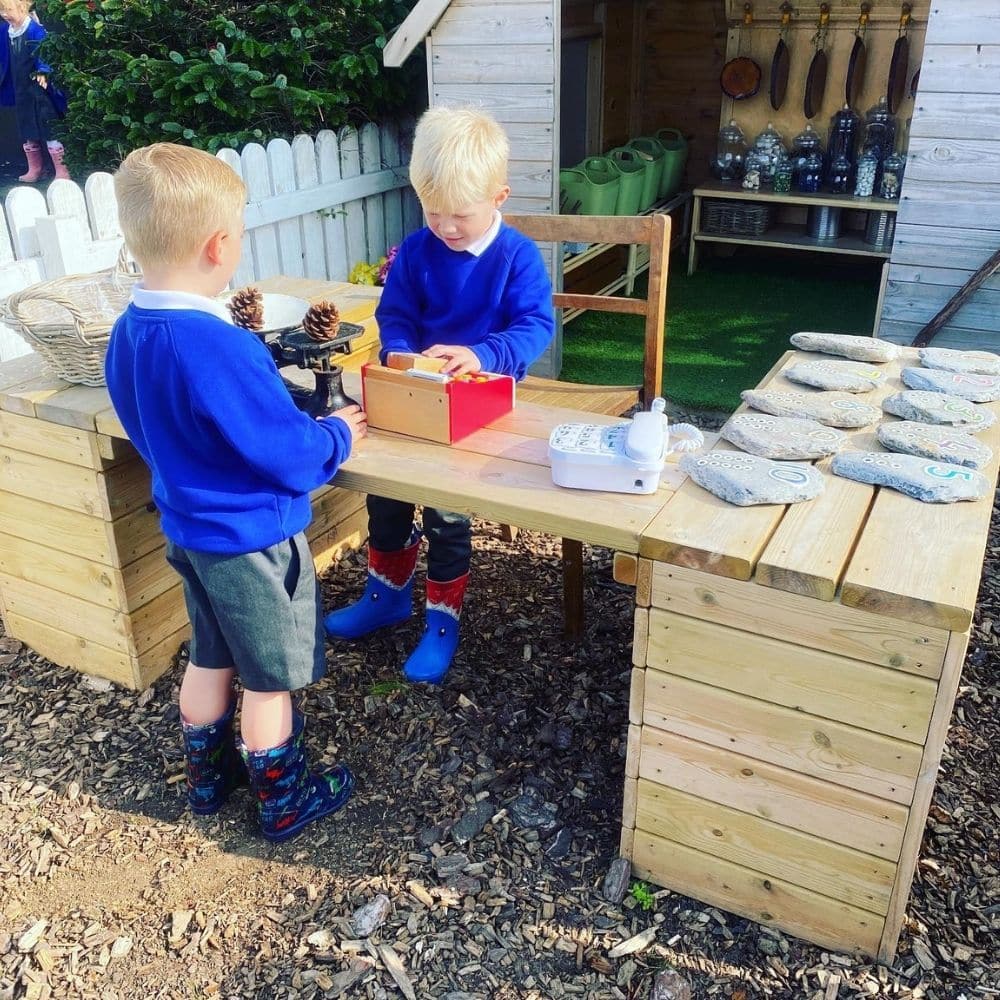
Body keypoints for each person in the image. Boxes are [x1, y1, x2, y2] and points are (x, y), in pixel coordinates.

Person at [104, 143, 367, 842]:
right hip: (250, 541)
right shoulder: (220, 345)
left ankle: (208, 779)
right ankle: (283, 802)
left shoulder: (129, 332)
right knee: (269, 677)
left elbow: (142, 420)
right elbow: (286, 451)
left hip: (189, 532)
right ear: (220, 246)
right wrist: (338, 436)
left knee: (209, 654)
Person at [324, 106, 554, 685]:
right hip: (415, 394)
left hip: (481, 401)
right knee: (385, 494)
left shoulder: (517, 257)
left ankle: (442, 621)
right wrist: (399, 351)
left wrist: (481, 354)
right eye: (432, 211)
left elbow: (535, 327)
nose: (445, 227)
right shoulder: (417, 250)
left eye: (460, 215)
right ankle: (388, 594)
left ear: (499, 196)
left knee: (448, 510)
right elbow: (394, 314)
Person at [0, 0, 70, 181]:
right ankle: (35, 169)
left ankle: (62, 170)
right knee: (26, 128)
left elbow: (44, 52)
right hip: (20, 89)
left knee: (49, 127)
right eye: (1, 11)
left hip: (39, 91)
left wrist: (43, 71)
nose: (4, 14)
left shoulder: (34, 30)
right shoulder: (6, 32)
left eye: (8, 10)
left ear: (22, 7)